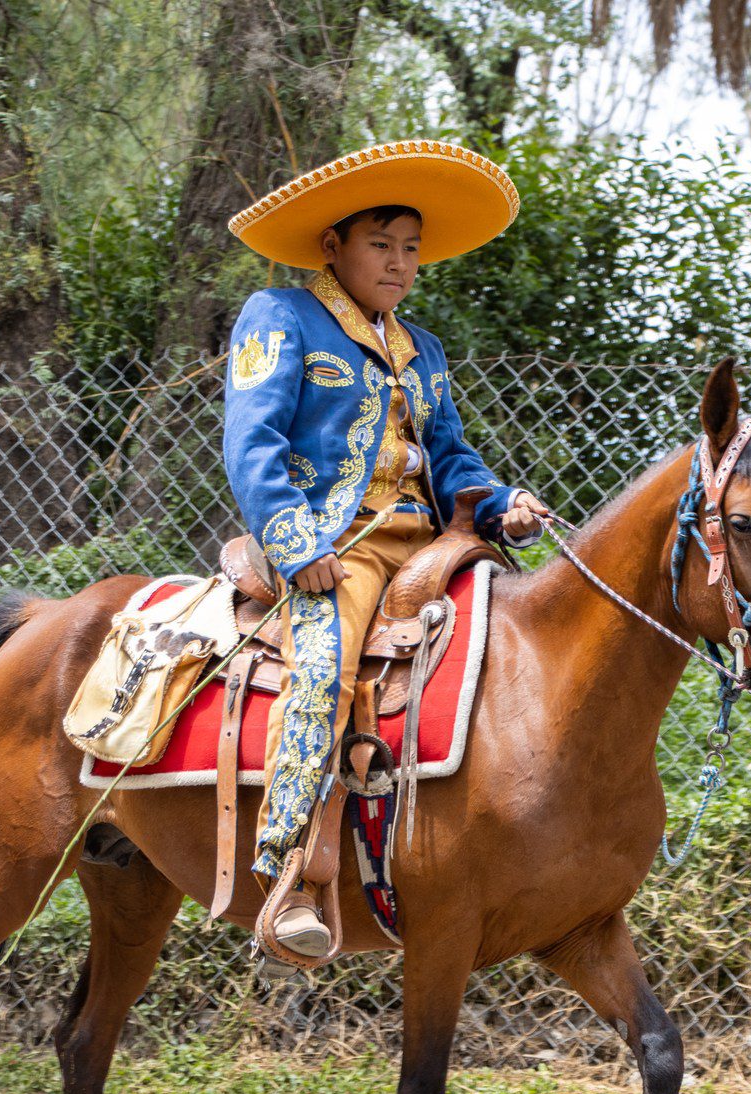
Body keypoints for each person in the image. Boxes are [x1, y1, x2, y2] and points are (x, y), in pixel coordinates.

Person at [221, 140, 549, 968]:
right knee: (327, 659)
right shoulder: (280, 316)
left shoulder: (424, 351)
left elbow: (453, 457)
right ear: (333, 245)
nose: (400, 263)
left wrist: (503, 502)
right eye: (381, 244)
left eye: (410, 248)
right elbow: (250, 442)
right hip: (340, 545)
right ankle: (291, 871)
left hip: (433, 540)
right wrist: (296, 545)